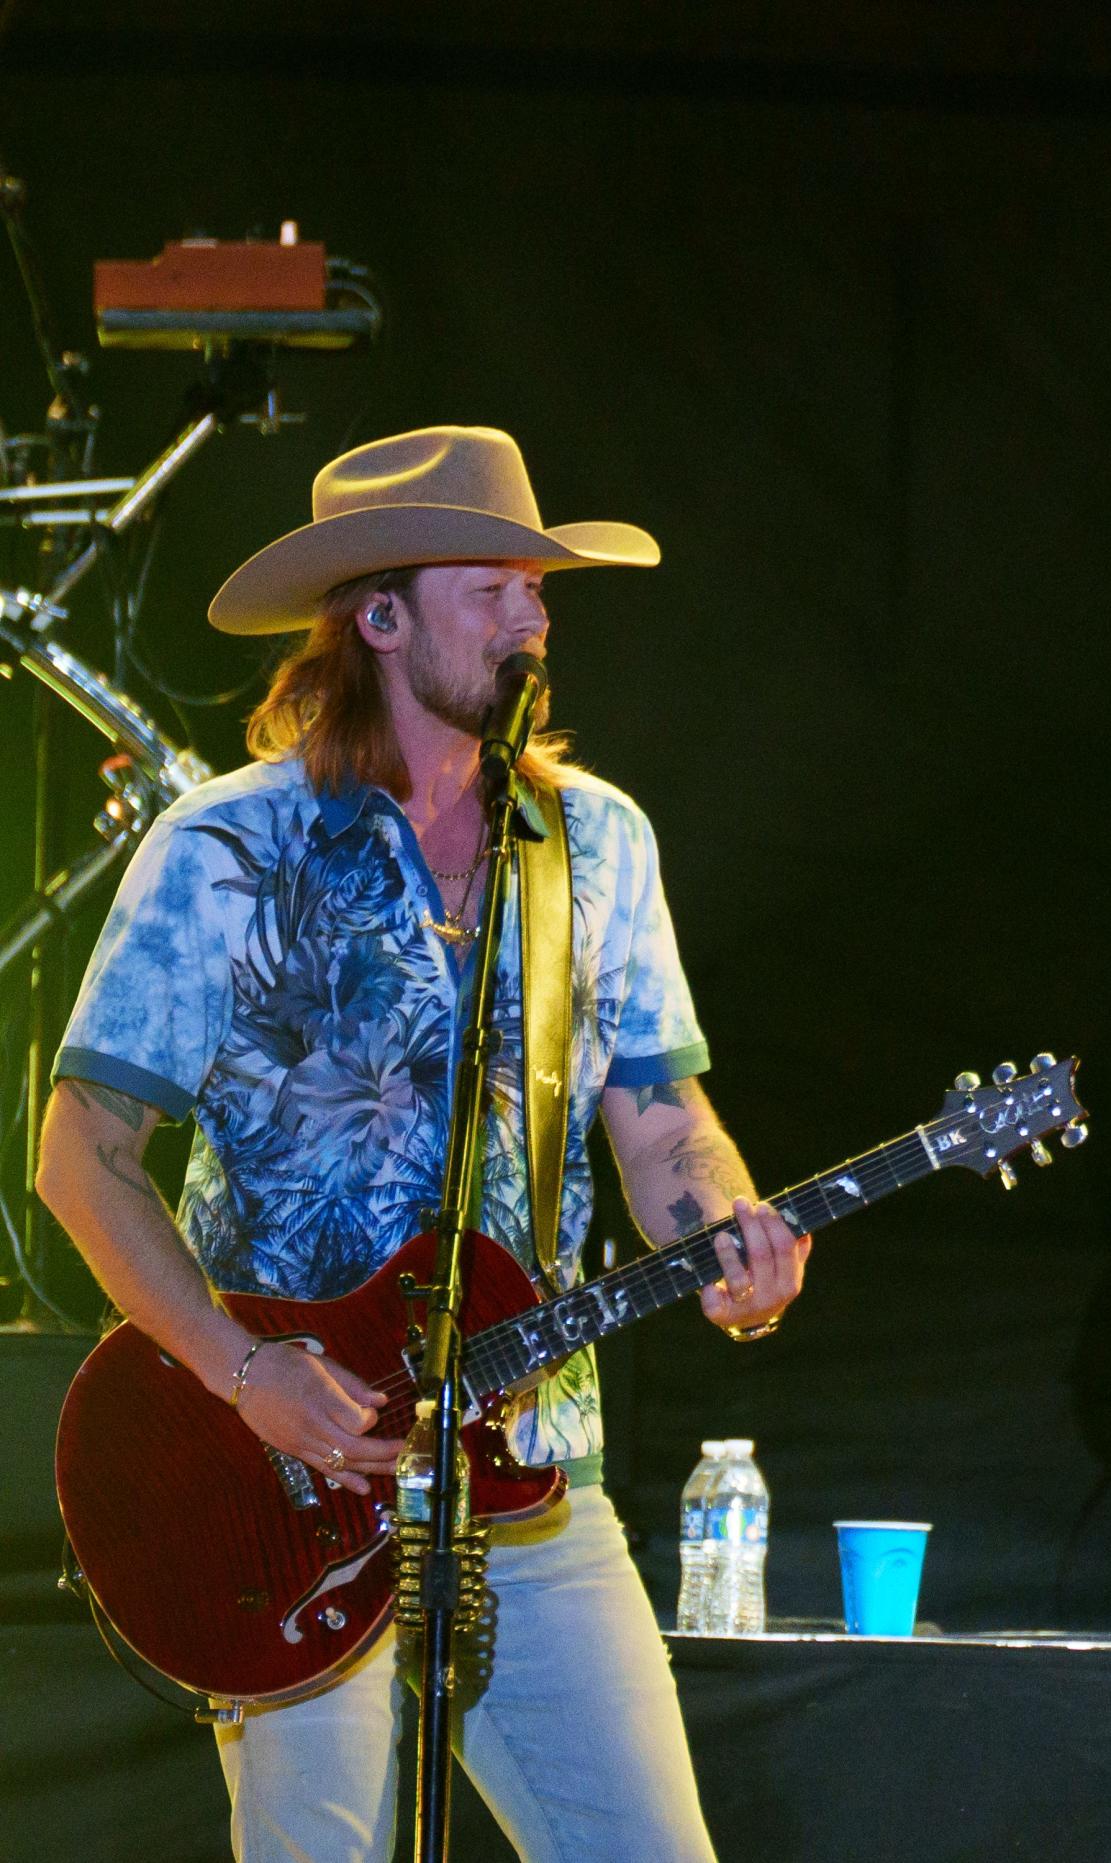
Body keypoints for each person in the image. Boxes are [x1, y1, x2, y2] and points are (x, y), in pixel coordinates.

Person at [37, 425, 811, 1862]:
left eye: (539, 587)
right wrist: (242, 1368)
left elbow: (657, 1121)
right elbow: (79, 1151)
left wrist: (727, 1219)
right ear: (379, 617)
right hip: (288, 1478)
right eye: (495, 588)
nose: (535, 615)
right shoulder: (225, 848)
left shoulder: (598, 845)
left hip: (528, 1468)